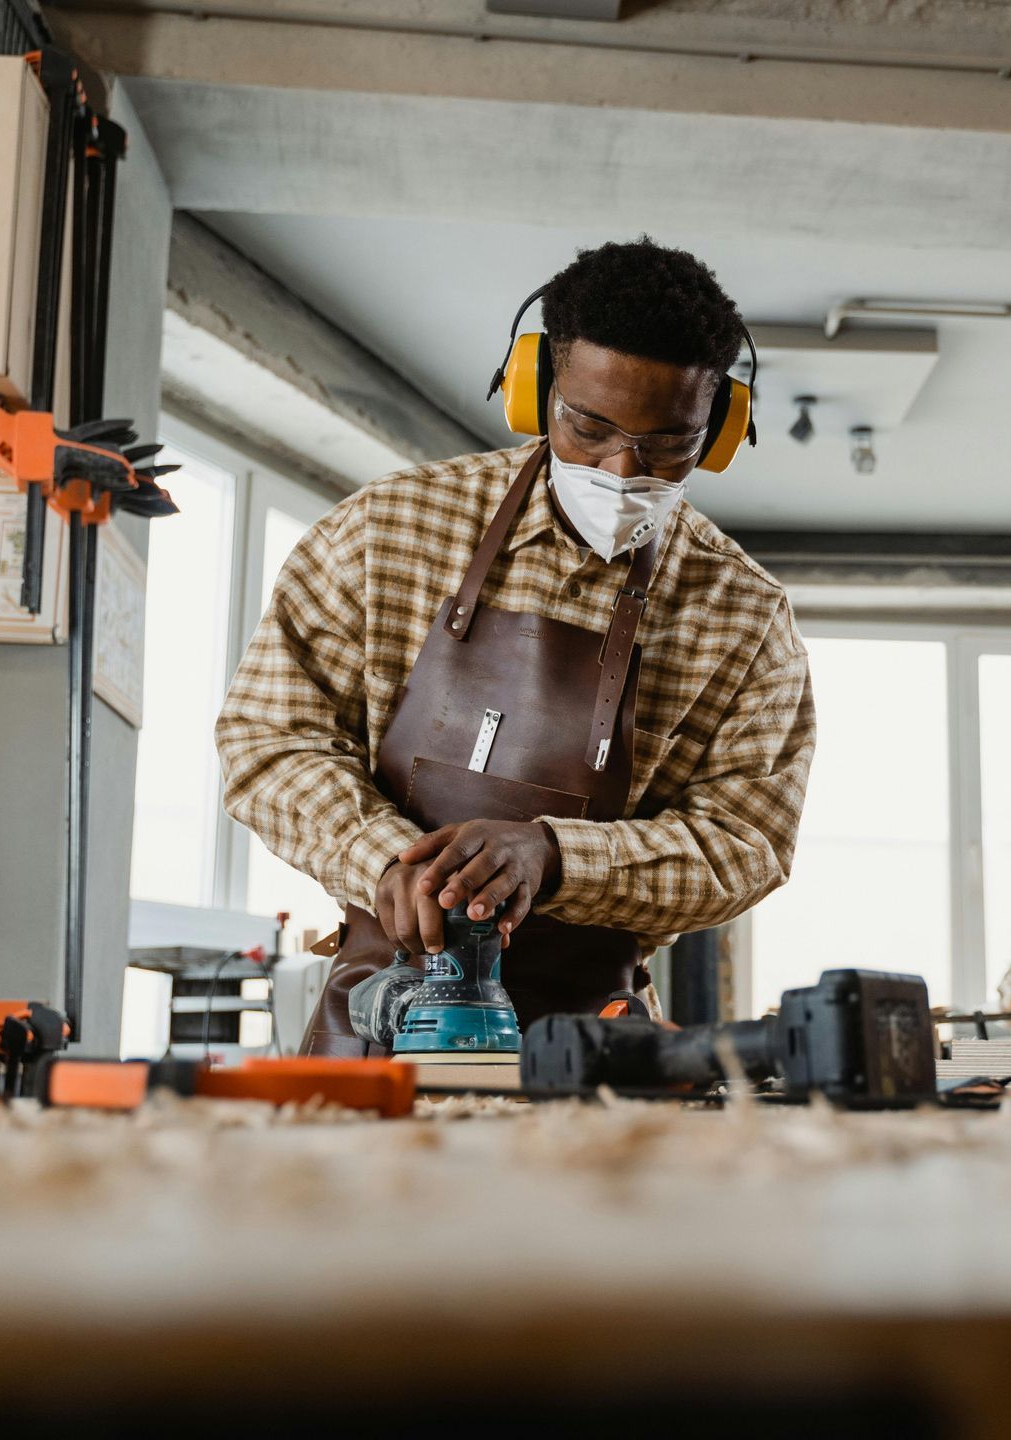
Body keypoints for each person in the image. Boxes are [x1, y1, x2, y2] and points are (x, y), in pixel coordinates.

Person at [216, 237, 816, 1055]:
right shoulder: (385, 529)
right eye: (589, 426)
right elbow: (268, 741)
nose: (622, 467)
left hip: (593, 1046)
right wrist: (400, 867)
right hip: (380, 1023)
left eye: (668, 444)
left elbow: (746, 844)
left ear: (717, 429)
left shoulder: (744, 616)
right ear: (535, 390)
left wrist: (556, 855)